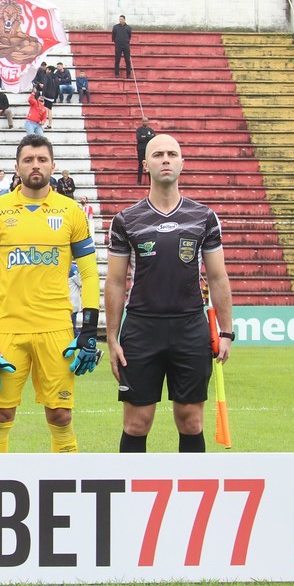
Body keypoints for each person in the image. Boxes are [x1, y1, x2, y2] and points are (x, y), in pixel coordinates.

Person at [104, 133, 234, 453]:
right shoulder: (125, 220)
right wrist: (112, 338)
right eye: (158, 154)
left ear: (182, 163)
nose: (165, 159)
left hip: (190, 328)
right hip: (141, 328)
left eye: (172, 154)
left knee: (191, 421)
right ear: (145, 164)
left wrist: (226, 332)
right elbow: (116, 282)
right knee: (136, 423)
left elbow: (218, 277)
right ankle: (131, 488)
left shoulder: (204, 217)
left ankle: (191, 487)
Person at [0, 134, 101, 454]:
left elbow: (89, 273)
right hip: (8, 328)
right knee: (0, 414)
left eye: (42, 160)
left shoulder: (71, 211)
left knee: (61, 415)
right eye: (28, 160)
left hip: (57, 327)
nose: (35, 165)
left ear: (53, 166)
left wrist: (89, 328)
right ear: (17, 167)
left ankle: (66, 482)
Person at [135, 118, 156, 185]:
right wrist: (148, 137)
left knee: (149, 165)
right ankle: (139, 181)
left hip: (149, 149)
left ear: (148, 122)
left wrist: (145, 137)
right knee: (140, 165)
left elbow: (153, 138)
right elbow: (139, 138)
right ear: (142, 122)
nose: (145, 122)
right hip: (141, 149)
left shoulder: (151, 130)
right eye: (143, 121)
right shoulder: (139, 130)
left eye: (146, 121)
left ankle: (151, 182)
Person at [113, 14, 132, 78]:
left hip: (126, 45)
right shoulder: (115, 27)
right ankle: (116, 73)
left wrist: (126, 41)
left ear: (124, 20)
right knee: (117, 60)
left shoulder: (128, 28)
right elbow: (113, 35)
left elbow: (129, 36)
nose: (120, 20)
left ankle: (128, 74)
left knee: (127, 60)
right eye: (119, 19)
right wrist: (116, 42)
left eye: (121, 19)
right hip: (118, 45)